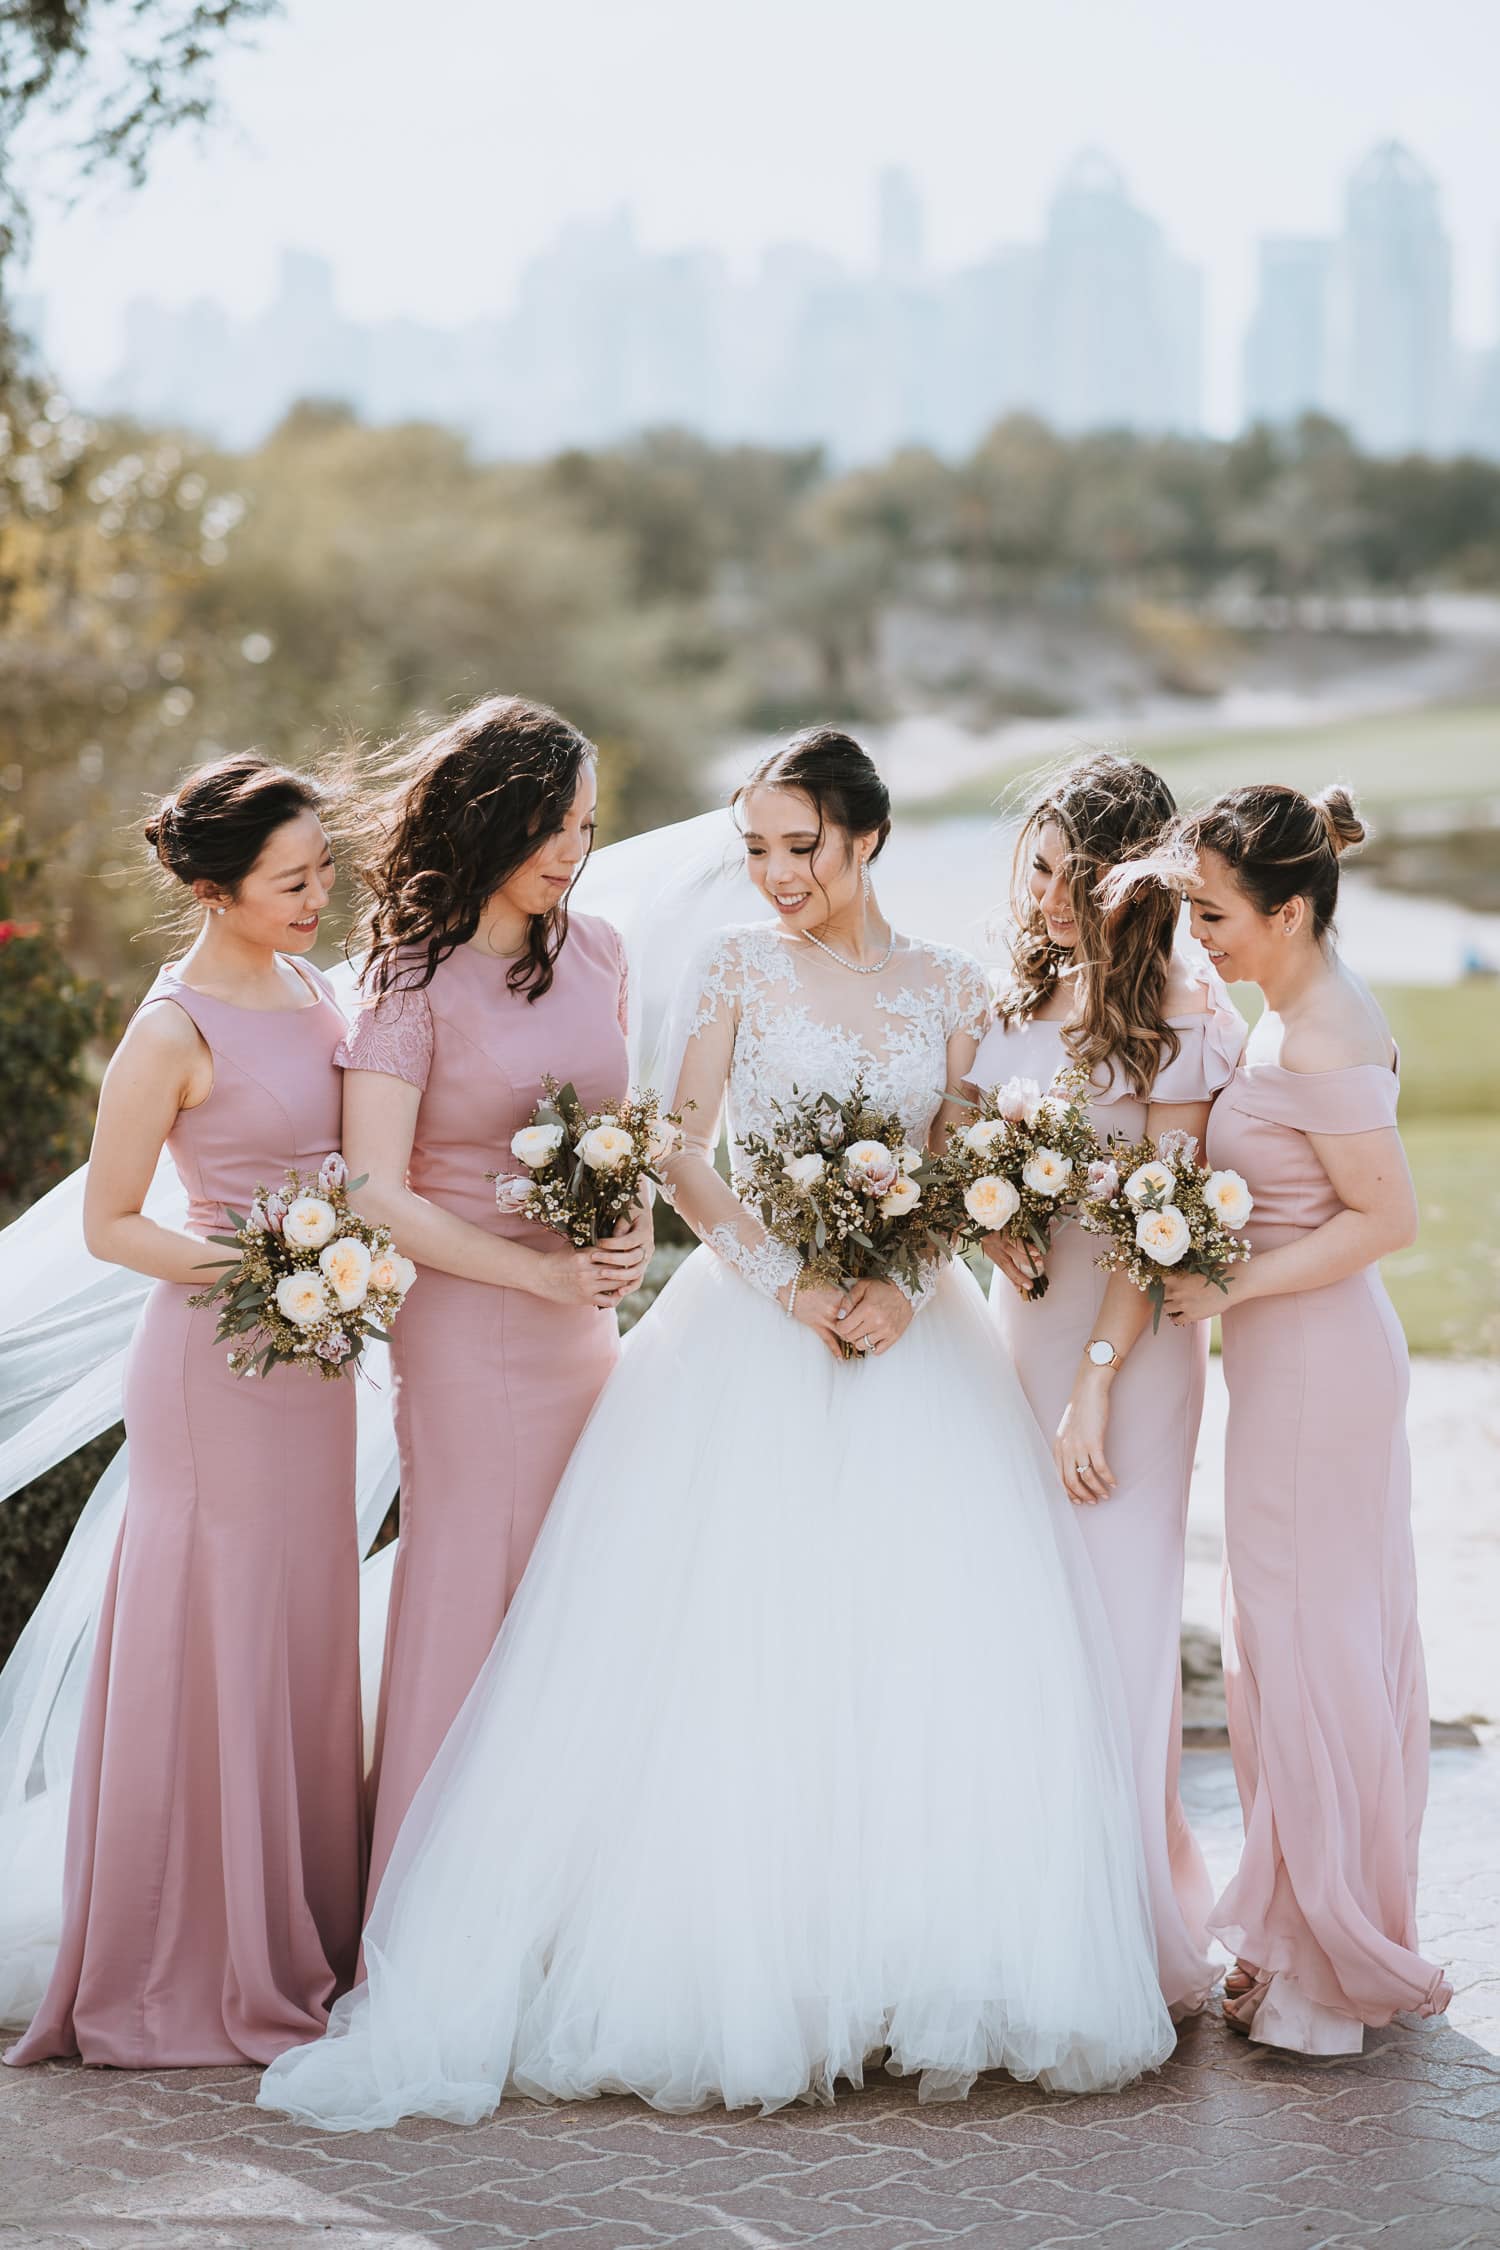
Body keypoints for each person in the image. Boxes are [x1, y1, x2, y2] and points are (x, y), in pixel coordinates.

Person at [258, 727, 1175, 2131]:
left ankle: (898, 1959)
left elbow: (957, 1166)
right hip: (749, 1339)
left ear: (865, 838)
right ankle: (728, 1961)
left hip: (916, 1344)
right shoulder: (734, 967)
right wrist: (791, 1277)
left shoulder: (953, 989)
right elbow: (679, 1146)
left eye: (799, 845)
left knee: (919, 1646)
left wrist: (895, 1272)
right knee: (733, 1640)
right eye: (753, 847)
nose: (774, 873)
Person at [7, 756, 364, 2067]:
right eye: (291, 880)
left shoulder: (317, 984)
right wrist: (269, 1265)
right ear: (213, 887)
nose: (319, 895)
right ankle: (189, 1954)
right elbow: (110, 1225)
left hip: (317, 1365)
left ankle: (300, 1931)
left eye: (325, 869)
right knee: (215, 1630)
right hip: (215, 1368)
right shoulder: (169, 1032)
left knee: (305, 1627)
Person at [332, 696, 649, 1910]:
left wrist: (626, 1222)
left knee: (580, 1582)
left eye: (585, 824)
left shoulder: (603, 948)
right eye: (550, 824)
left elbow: (621, 1127)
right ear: (488, 817)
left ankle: (566, 1894)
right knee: (471, 1577)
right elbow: (368, 1188)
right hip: (467, 1323)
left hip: (582, 1318)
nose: (573, 849)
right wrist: (533, 1272)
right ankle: (433, 1906)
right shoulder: (405, 982)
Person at [1160, 783, 1451, 2055]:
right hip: (1291, 1363)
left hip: (1321, 1368)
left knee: (1312, 1645)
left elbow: (1387, 1222)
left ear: (1289, 909)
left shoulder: (1326, 1031)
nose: (1201, 936)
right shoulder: (1287, 1012)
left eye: (1215, 915)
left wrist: (1227, 1283)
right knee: (1288, 1642)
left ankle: (1328, 1972)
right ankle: (1298, 1933)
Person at [968, 751, 1244, 2022]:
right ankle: (1021, 1918)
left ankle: (1126, 1927)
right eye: (1035, 870)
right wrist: (992, 1226)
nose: (1046, 899)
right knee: (1022, 1633)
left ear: (1133, 887)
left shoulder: (1186, 1019)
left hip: (1126, 1361)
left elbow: (1163, 1225)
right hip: (1017, 1340)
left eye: (1073, 881)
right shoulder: (1011, 1004)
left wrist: (1094, 1380)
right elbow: (961, 1150)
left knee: (1121, 1637)